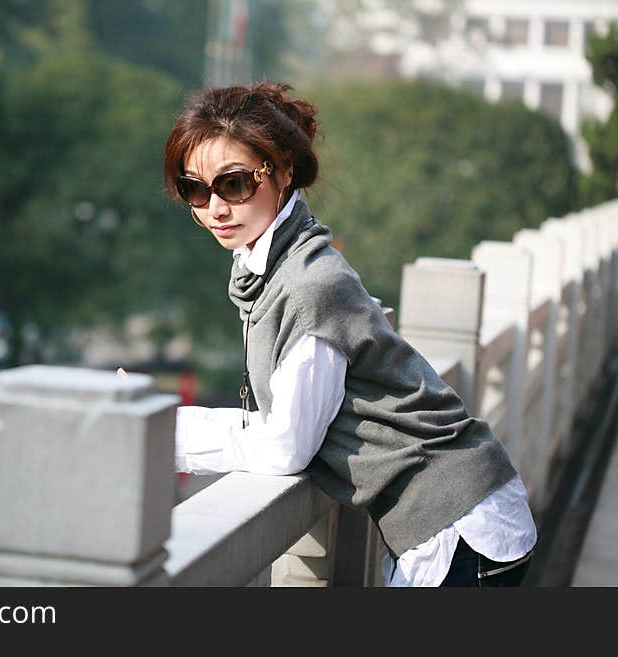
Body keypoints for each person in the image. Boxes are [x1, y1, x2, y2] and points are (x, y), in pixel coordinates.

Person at [161, 81, 537, 587]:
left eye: (233, 184)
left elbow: (285, 449)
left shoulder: (311, 284)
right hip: (457, 518)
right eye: (195, 189)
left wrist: (162, 429)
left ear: (283, 170)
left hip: (460, 530)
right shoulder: (284, 268)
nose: (215, 208)